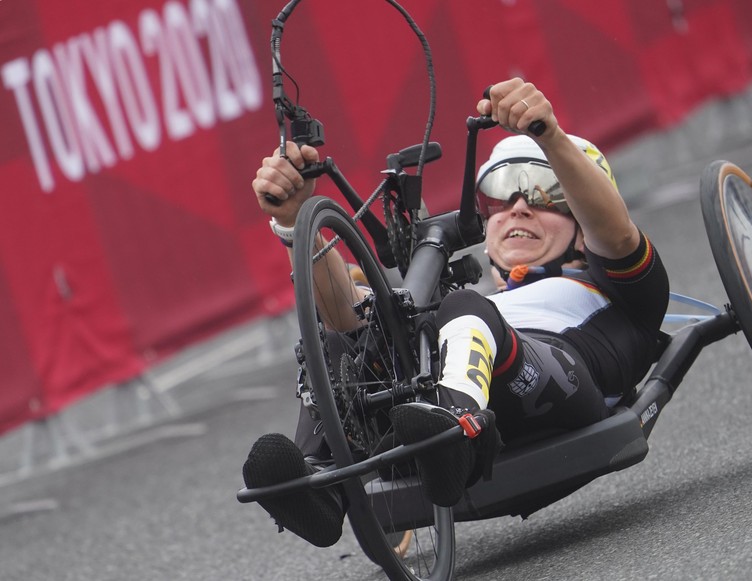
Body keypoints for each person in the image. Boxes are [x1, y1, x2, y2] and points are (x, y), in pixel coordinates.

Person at [243, 78, 670, 547]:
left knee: (463, 308)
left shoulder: (619, 289)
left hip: (560, 381)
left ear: (584, 225)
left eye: (547, 194)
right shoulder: (472, 304)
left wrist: (548, 134)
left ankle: (455, 428)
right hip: (439, 395)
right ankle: (321, 486)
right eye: (500, 196)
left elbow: (618, 233)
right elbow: (347, 322)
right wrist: (295, 218)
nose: (519, 207)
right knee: (342, 340)